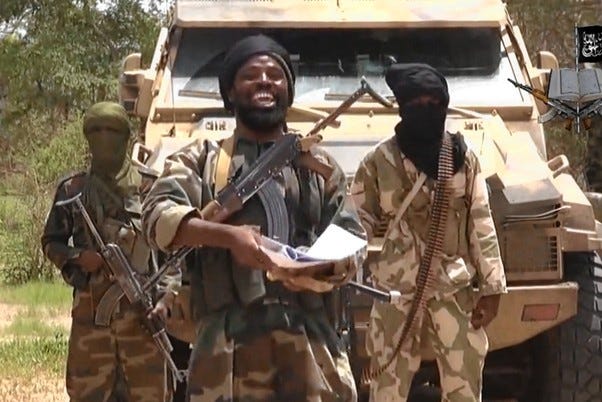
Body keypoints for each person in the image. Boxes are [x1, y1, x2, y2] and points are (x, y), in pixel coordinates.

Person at [141, 34, 364, 402]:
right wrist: (229, 238)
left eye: (275, 76)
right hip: (225, 355)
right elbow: (156, 215)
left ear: (288, 92)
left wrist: (315, 267)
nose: (264, 82)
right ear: (230, 92)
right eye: (250, 75)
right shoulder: (202, 159)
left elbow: (352, 239)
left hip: (311, 348)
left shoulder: (319, 168)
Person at [350, 63, 507, 402]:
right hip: (395, 293)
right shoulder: (379, 161)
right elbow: (354, 223)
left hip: (453, 288)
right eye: (415, 104)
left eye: (434, 103)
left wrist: (493, 287)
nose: (426, 111)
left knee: (465, 384)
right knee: (387, 387)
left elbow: (481, 222)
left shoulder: (461, 157)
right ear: (401, 107)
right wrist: (335, 268)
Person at [41, 102, 172, 402]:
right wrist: (78, 257)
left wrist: (165, 300)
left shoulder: (150, 187)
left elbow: (172, 256)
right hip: (92, 322)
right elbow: (50, 242)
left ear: (126, 136)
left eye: (112, 130)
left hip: (142, 320)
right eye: (96, 130)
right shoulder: (73, 189)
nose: (104, 137)